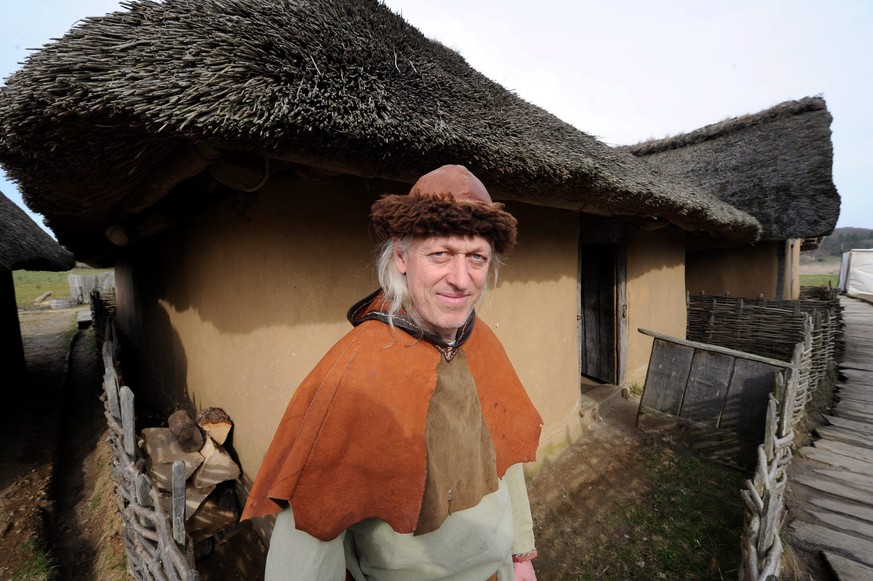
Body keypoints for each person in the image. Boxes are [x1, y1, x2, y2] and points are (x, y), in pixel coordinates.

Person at [241, 165, 543, 580]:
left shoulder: (483, 340)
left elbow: (506, 454)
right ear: (401, 257)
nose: (461, 279)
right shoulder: (348, 375)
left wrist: (521, 555)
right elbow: (308, 540)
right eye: (440, 254)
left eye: (476, 258)